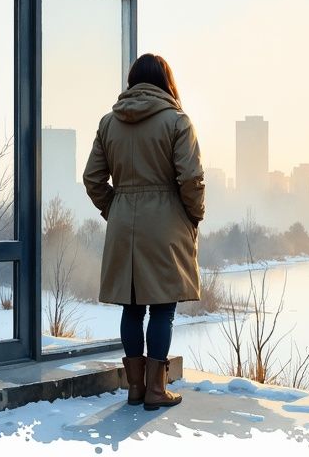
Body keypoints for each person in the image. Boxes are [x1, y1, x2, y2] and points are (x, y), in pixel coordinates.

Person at [83, 53, 205, 410]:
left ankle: (135, 389)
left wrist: (114, 209)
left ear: (132, 81)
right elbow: (191, 178)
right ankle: (156, 390)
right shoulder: (177, 121)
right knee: (163, 309)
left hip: (124, 225)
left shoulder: (109, 123)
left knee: (132, 309)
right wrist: (191, 217)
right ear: (167, 81)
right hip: (166, 223)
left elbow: (93, 178)